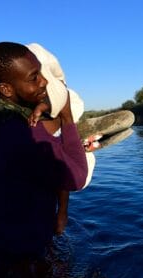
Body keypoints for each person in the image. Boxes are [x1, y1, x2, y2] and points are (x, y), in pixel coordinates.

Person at [0, 42, 88, 278]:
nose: (44, 81)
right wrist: (68, 119)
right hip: (22, 246)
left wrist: (47, 106)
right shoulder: (27, 135)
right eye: (34, 77)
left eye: (41, 72)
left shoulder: (1, 116)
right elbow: (77, 177)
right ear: (7, 88)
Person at [25, 43, 99, 235]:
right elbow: (75, 178)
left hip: (39, 210)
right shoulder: (17, 125)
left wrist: (62, 213)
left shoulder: (43, 122)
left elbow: (65, 179)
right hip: (25, 214)